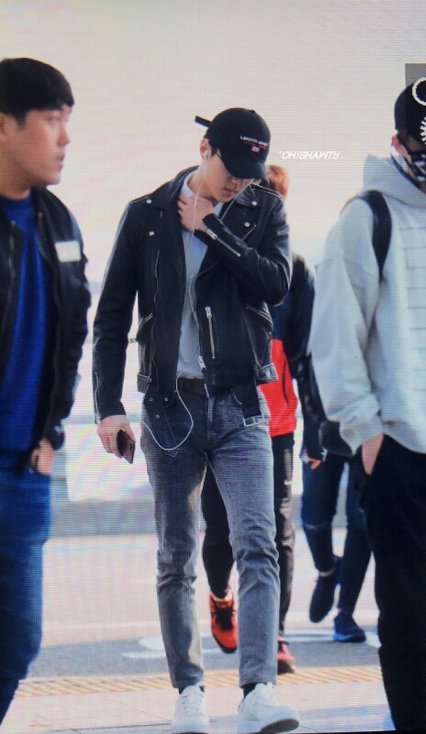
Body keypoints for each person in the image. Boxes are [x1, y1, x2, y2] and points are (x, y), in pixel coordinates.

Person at [93, 109, 299, 734]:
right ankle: (189, 694)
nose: (240, 182)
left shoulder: (262, 210)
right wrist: (107, 405)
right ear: (204, 148)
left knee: (258, 544)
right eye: (231, 168)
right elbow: (111, 317)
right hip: (168, 407)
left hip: (240, 403)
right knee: (176, 556)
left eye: (250, 173)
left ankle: (259, 691)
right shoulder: (146, 214)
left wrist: (211, 228)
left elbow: (276, 283)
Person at [309, 74, 426, 730]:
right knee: (405, 621)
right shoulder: (366, 218)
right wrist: (365, 431)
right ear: (399, 142)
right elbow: (335, 336)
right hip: (401, 450)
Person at [0, 57, 90, 724]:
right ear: (4, 126)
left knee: (17, 641)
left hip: (25, 474)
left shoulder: (59, 224)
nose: (64, 138)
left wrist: (53, 432)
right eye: (52, 120)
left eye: (67, 120)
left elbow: (72, 334)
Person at [201, 164, 314, 675]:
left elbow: (306, 354)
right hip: (221, 415)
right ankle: (220, 596)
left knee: (277, 532)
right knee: (220, 530)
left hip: (279, 424)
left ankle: (275, 633)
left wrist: (319, 427)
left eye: (274, 199)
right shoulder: (216, 254)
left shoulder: (296, 271)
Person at [301, 429, 370, 642]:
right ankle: (328, 570)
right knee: (313, 518)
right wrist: (311, 432)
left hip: (366, 428)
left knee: (361, 520)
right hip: (323, 427)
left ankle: (345, 613)